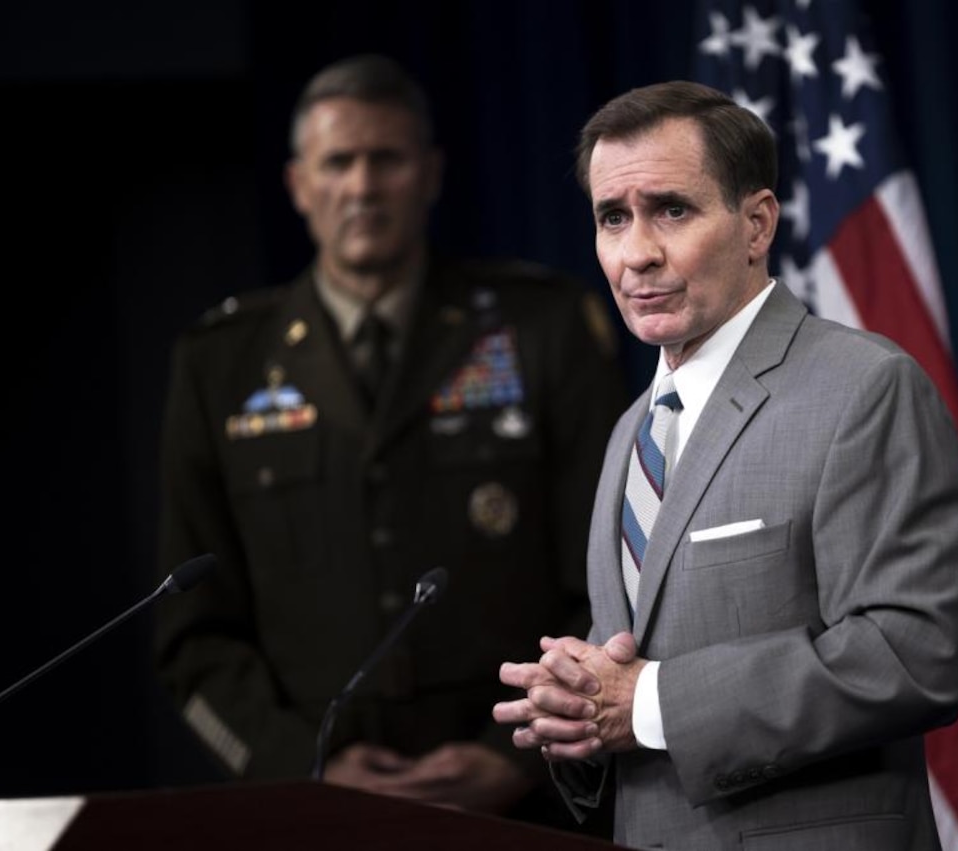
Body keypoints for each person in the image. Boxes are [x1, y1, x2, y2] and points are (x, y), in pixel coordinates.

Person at [492, 80, 958, 849]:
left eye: (671, 210)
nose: (637, 252)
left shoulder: (862, 388)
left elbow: (912, 653)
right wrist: (581, 711)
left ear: (756, 224)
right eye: (612, 218)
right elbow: (634, 674)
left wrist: (649, 701)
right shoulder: (631, 432)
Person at [152, 53, 626, 826]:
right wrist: (303, 767)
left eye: (387, 159)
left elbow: (608, 579)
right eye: (339, 162)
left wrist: (519, 749)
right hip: (314, 811)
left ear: (431, 173)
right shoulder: (219, 361)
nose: (364, 187)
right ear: (299, 184)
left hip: (528, 801)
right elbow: (193, 637)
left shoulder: (540, 327)